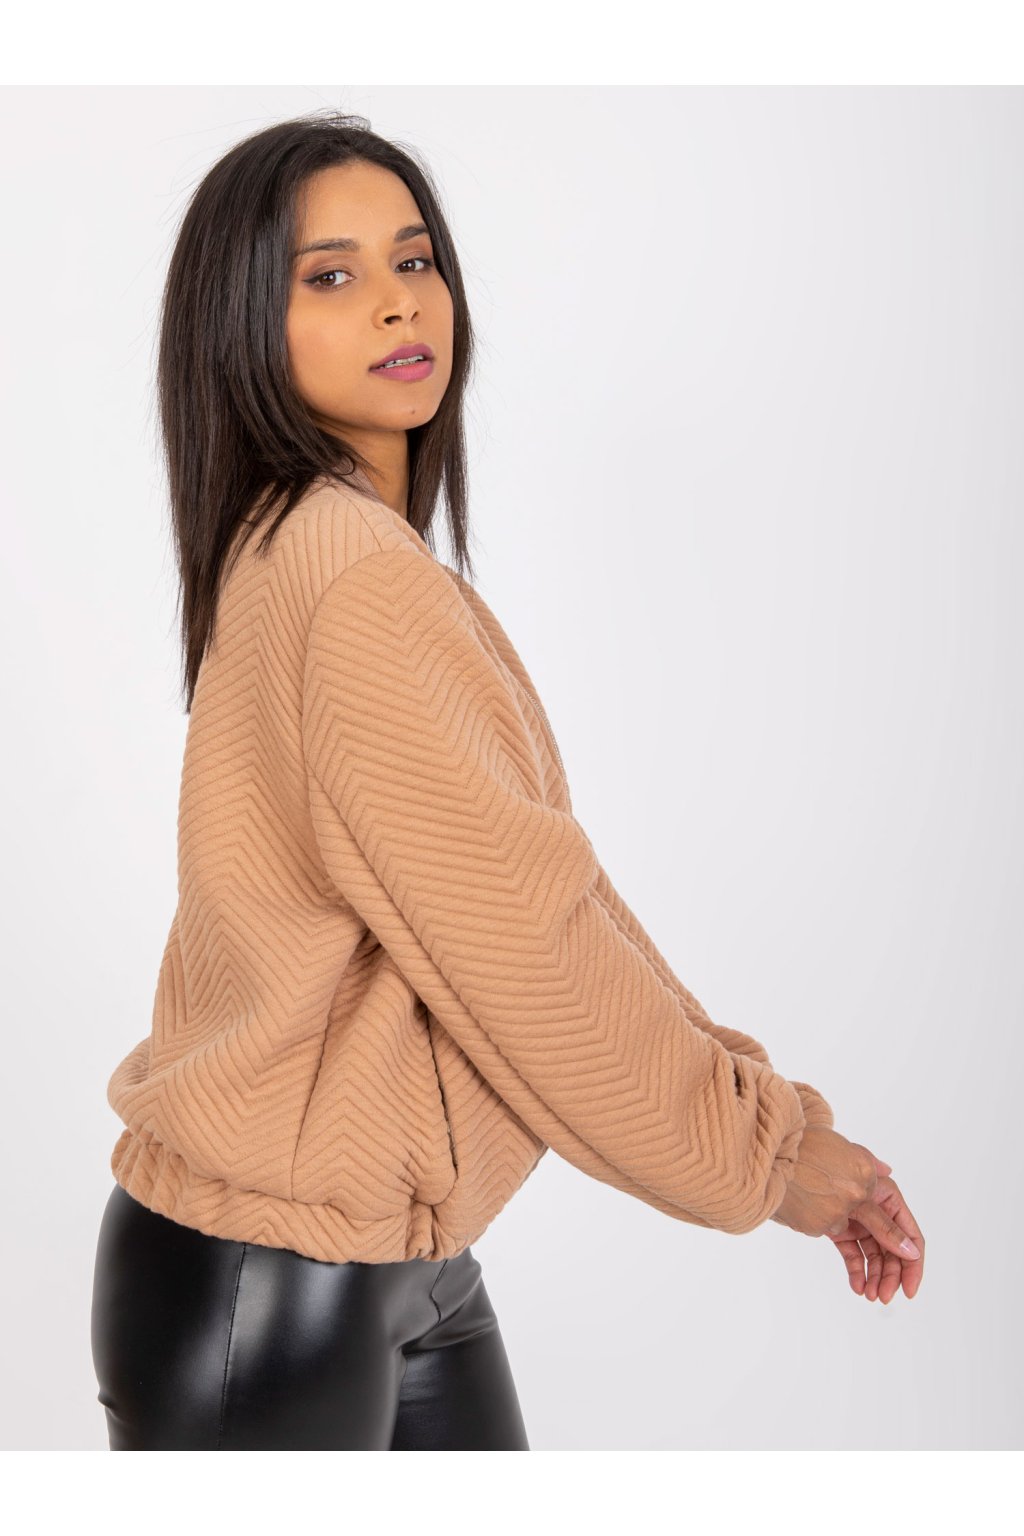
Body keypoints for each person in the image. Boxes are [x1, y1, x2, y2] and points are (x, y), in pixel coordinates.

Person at [90, 110, 925, 1452]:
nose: (397, 301)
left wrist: (757, 1114)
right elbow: (531, 955)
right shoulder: (349, 578)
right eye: (331, 275)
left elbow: (541, 901)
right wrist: (771, 1156)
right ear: (243, 325)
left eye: (414, 259)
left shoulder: (314, 547)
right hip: (276, 1280)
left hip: (391, 1262)